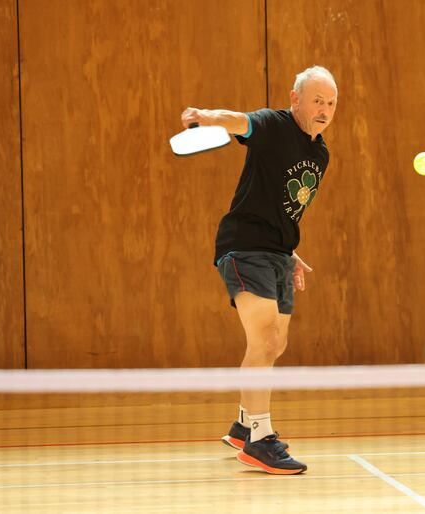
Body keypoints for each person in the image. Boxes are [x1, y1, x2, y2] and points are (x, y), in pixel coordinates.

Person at [180, 65, 337, 475]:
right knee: (265, 335)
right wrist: (208, 116)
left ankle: (244, 423)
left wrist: (291, 250)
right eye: (316, 100)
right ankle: (259, 440)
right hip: (243, 246)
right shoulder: (275, 125)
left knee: (275, 343)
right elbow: (239, 121)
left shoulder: (320, 153)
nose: (324, 109)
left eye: (331, 102)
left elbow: (287, 207)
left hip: (279, 253)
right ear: (296, 99)